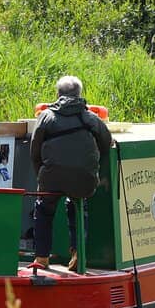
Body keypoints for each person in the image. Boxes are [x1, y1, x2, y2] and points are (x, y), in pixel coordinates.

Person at [30, 75, 111, 269]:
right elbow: (106, 142)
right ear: (80, 95)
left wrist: (40, 175)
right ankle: (77, 255)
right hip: (84, 179)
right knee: (77, 205)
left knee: (43, 207)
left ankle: (41, 258)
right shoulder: (90, 117)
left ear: (58, 95)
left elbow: (34, 150)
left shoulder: (46, 117)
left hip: (51, 177)